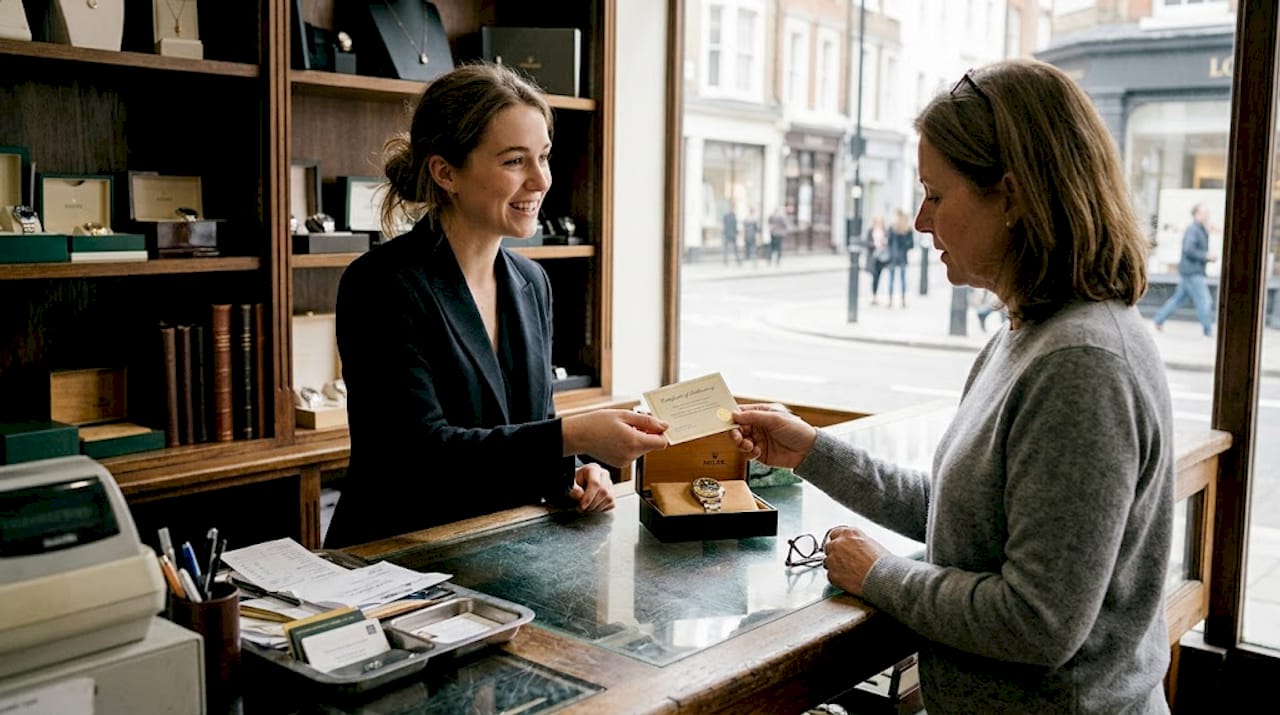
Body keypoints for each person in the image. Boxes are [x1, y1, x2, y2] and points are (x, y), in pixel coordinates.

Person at [731, 59, 1174, 713]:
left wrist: (881, 574)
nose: (919, 220)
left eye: (936, 195)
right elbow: (965, 520)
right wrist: (810, 451)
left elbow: (1037, 622)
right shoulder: (1028, 334)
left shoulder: (1082, 363)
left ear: (1014, 195)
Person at [325, 63, 670, 548]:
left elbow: (521, 431)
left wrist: (573, 474)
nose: (540, 181)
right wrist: (570, 437)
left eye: (543, 157)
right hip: (398, 559)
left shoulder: (532, 283)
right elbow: (418, 455)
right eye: (514, 161)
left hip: (498, 547)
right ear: (446, 172)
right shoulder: (382, 283)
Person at [1152, 203, 1217, 336]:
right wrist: (1206, 256)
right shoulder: (1193, 229)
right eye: (1205, 213)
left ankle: (1158, 320)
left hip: (1190, 271)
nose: (1207, 216)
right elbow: (1188, 249)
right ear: (1197, 214)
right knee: (1205, 300)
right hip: (1193, 272)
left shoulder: (1200, 229)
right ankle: (1208, 330)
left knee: (1178, 299)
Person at [885, 209, 915, 307]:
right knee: (891, 279)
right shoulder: (892, 228)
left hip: (902, 257)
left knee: (902, 280)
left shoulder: (908, 230)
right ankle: (890, 300)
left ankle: (903, 300)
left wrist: (903, 236)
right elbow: (888, 242)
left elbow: (911, 244)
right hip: (893, 257)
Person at [865, 215, 889, 305]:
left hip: (882, 258)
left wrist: (884, 242)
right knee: (874, 277)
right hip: (873, 258)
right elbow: (867, 243)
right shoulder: (870, 231)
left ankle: (875, 295)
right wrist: (875, 244)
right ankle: (874, 296)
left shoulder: (885, 232)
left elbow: (888, 243)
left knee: (878, 277)